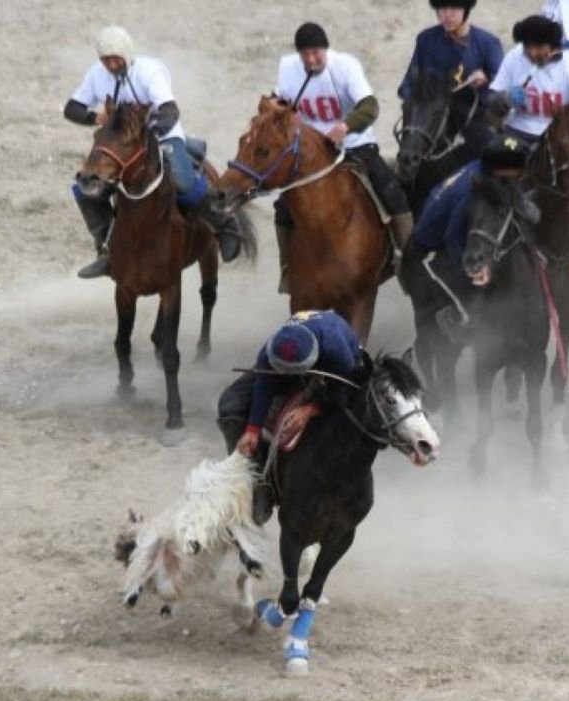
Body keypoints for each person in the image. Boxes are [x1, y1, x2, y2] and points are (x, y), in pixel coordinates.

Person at [63, 25, 243, 279]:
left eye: (116, 59)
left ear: (127, 55)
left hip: (162, 136)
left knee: (182, 181)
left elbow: (170, 110)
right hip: (122, 147)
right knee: (85, 188)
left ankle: (225, 225)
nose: (112, 65)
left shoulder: (149, 72)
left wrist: (150, 136)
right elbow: (71, 109)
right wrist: (95, 116)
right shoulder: (96, 75)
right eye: (106, 60)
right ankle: (105, 250)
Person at [272, 23, 414, 291]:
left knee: (392, 192)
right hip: (311, 153)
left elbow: (370, 106)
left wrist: (345, 127)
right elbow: (278, 102)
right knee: (283, 207)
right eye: (306, 55)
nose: (312, 60)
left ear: (325, 49)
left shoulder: (345, 66)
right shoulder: (288, 68)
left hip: (355, 144)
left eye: (316, 53)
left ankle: (409, 263)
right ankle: (288, 270)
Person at [216, 310, 364, 523]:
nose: (285, 376)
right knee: (231, 402)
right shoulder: (269, 351)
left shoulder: (335, 349)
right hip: (289, 367)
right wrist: (252, 429)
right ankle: (252, 481)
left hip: (335, 374)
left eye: (290, 373)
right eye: (281, 370)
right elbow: (265, 384)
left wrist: (310, 409)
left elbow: (346, 389)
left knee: (344, 419)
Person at [402, 134, 531, 335]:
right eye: (516, 168)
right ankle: (454, 317)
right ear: (498, 169)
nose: (521, 172)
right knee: (472, 303)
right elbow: (453, 238)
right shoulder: (470, 193)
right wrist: (474, 268)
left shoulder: (483, 171)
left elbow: (508, 191)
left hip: (453, 231)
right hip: (431, 250)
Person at [398, 0, 504, 158]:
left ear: (466, 10)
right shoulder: (425, 40)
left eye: (454, 8)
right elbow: (409, 82)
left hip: (472, 114)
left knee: (491, 150)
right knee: (409, 151)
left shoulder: (488, 43)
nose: (447, 15)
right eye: (441, 8)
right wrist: (414, 101)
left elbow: (502, 85)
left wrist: (487, 79)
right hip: (433, 115)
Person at [487, 16, 569, 147]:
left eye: (538, 47)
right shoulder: (514, 57)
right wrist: (504, 99)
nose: (532, 52)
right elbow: (490, 101)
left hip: (558, 136)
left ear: (551, 45)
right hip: (517, 132)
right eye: (527, 47)